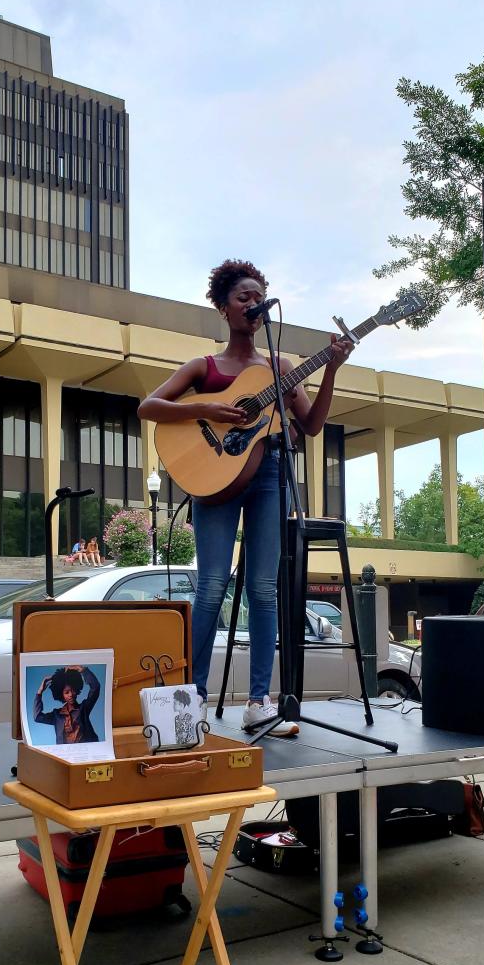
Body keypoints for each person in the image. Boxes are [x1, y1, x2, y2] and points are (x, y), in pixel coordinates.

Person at [138, 258, 353, 735]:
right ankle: (189, 704)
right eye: (244, 297)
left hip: (270, 470)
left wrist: (332, 370)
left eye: (259, 297)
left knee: (263, 588)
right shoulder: (206, 366)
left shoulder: (280, 367)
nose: (254, 304)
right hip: (214, 480)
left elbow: (312, 426)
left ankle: (259, 701)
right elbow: (148, 405)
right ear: (223, 309)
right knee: (211, 585)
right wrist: (209, 407)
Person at [34, 664, 101, 745]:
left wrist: (84, 670)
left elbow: (95, 687)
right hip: (65, 755)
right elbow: (37, 717)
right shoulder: (57, 715)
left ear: (77, 690)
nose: (71, 694)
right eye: (66, 692)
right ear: (61, 695)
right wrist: (39, 692)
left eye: (73, 690)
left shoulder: (84, 708)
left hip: (86, 752)